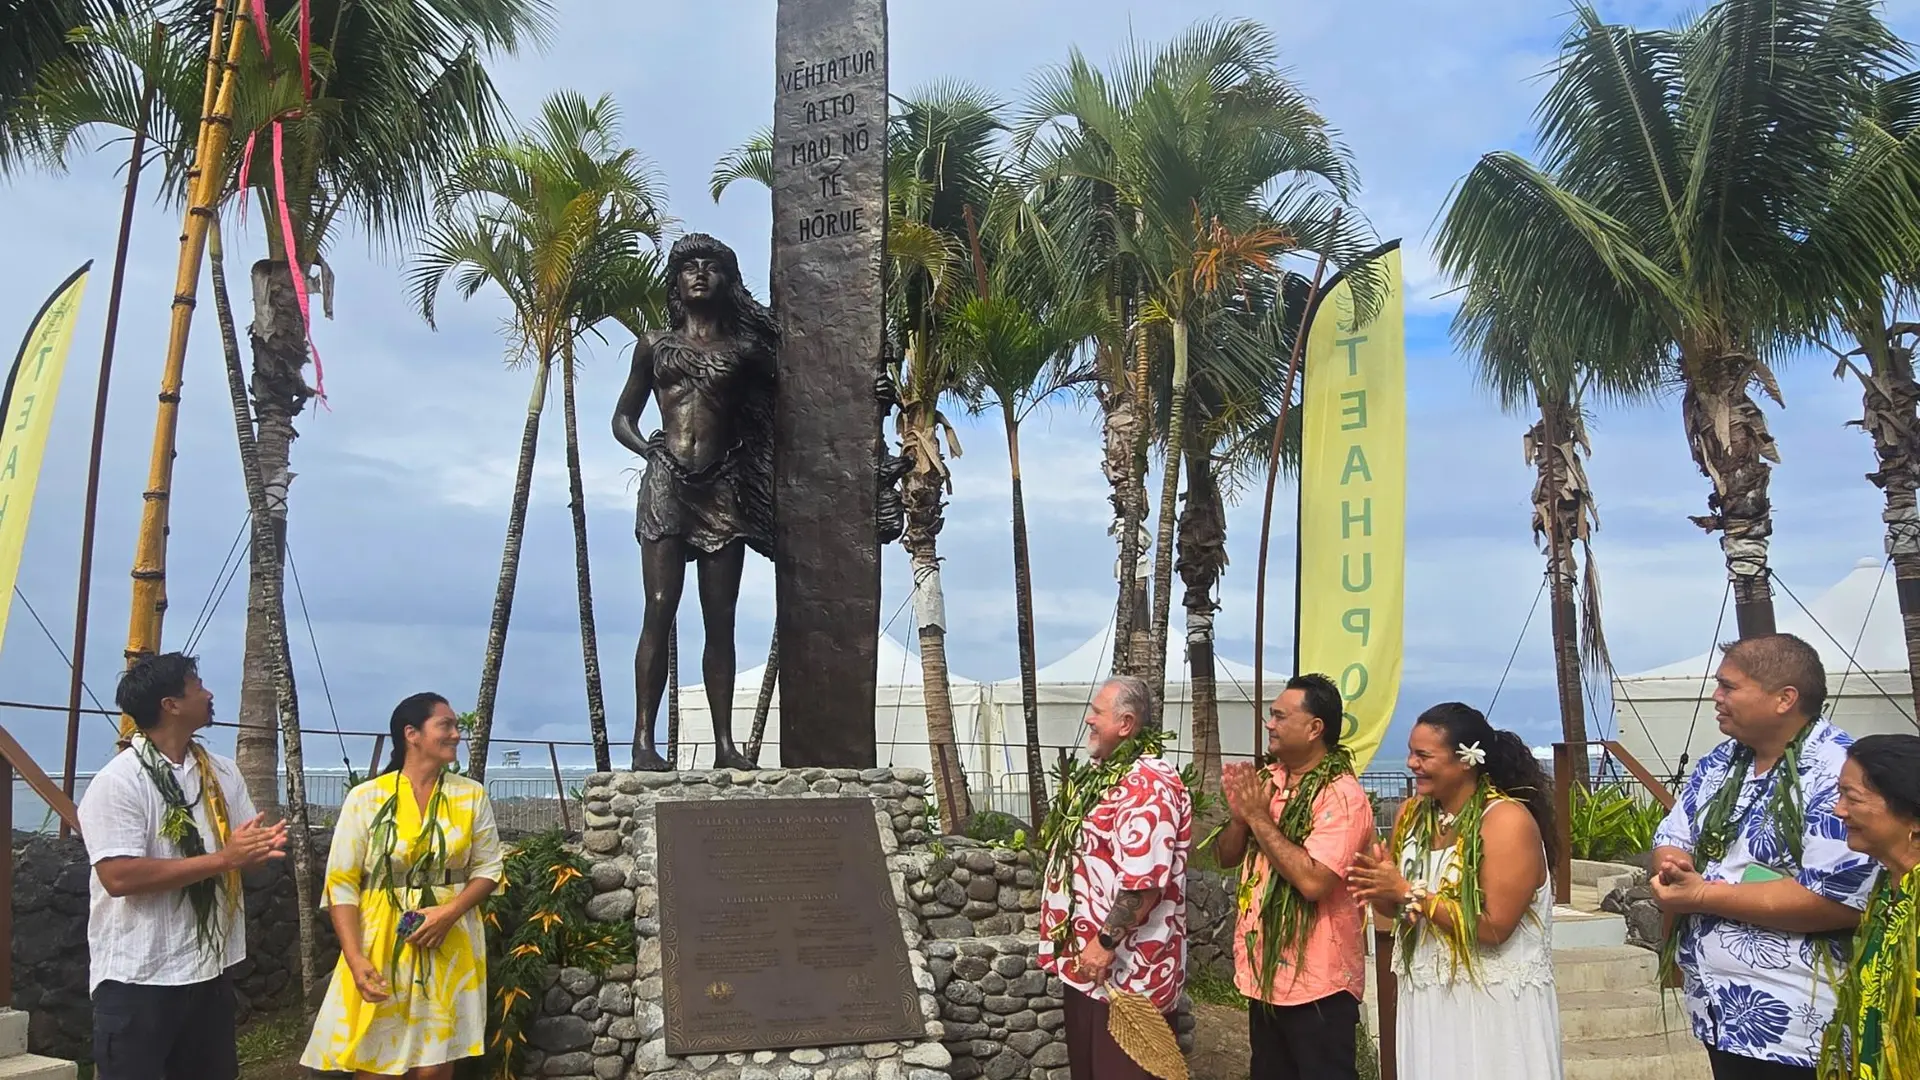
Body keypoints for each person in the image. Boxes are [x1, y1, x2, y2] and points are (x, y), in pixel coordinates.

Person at [1649, 634, 1875, 1080]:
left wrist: (1701, 896)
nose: (1716, 697)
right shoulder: (1722, 761)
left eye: (1729, 687)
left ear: (1784, 699)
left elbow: (1836, 900)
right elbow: (1673, 833)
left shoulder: (1839, 772)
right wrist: (1673, 864)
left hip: (1798, 1024)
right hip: (1720, 1011)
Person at [78, 652, 288, 1080]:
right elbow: (119, 877)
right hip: (139, 977)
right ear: (170, 705)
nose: (209, 694)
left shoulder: (222, 773)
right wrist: (226, 859)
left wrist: (254, 852)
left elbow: (240, 853)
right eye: (197, 687)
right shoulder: (118, 782)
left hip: (207, 970)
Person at [613, 232, 777, 772]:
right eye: (689, 268)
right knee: (659, 609)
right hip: (666, 484)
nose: (699, 274)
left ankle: (726, 745)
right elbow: (623, 418)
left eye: (710, 267)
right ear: (676, 282)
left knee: (720, 618)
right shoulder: (653, 345)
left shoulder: (745, 351)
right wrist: (650, 451)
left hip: (722, 485)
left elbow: (802, 395)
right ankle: (642, 741)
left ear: (727, 280)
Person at [1349, 702, 1563, 1080]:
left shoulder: (1505, 821)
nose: (1411, 763)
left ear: (1466, 759)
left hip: (1492, 1006)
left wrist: (1407, 892)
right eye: (1411, 752)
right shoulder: (1410, 816)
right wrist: (1381, 885)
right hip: (1430, 1000)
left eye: (1424, 755)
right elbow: (1399, 909)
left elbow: (1494, 928)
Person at [301, 693, 505, 1079]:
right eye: (446, 725)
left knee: (435, 1066)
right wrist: (355, 957)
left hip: (451, 938)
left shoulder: (471, 794)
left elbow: (490, 868)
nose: (457, 734)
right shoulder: (366, 798)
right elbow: (341, 883)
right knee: (378, 1059)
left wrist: (449, 912)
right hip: (379, 939)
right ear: (412, 734)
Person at [1214, 674, 1374, 1080]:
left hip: (1318, 983)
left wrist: (1257, 818)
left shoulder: (1342, 796)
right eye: (1271, 715)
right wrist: (1239, 817)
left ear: (1314, 728)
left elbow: (1314, 882)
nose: (1270, 724)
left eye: (1280, 716)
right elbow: (1227, 857)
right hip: (1265, 976)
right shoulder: (1269, 781)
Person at [1036, 674, 1193, 1080]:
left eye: (1097, 713)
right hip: (1090, 968)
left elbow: (1144, 883)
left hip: (1128, 972)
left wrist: (1104, 943)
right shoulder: (1105, 776)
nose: (1088, 720)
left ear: (1125, 724)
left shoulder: (1149, 785)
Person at [1818, 733, 1920, 1080]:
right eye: (1839, 793)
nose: (1838, 809)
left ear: (1913, 816)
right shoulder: (1886, 889)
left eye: (1853, 797)